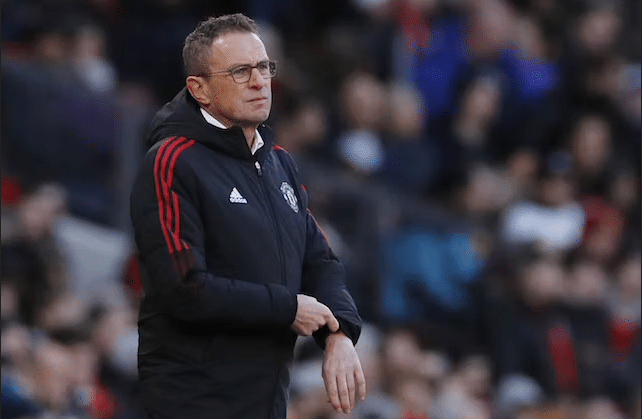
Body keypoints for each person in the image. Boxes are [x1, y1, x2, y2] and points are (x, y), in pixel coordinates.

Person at [129, 13, 366, 419]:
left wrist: (339, 333)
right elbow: (185, 288)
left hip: (265, 401)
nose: (259, 81)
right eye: (240, 71)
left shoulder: (280, 164)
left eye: (264, 67)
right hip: (193, 399)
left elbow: (320, 260)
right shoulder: (171, 161)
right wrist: (287, 308)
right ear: (199, 89)